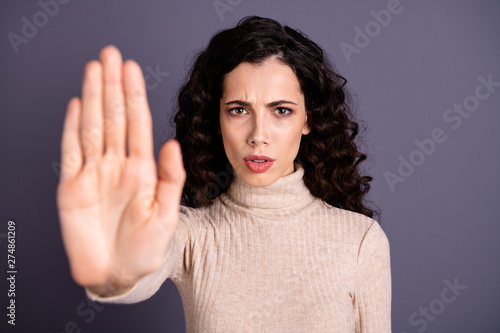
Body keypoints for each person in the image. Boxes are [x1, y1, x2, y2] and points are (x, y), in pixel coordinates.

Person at [57, 16, 391, 332]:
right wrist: (114, 271)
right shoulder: (190, 234)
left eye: (282, 111)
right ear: (217, 119)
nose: (258, 134)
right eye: (239, 110)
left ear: (308, 120)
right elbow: (136, 274)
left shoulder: (361, 241)